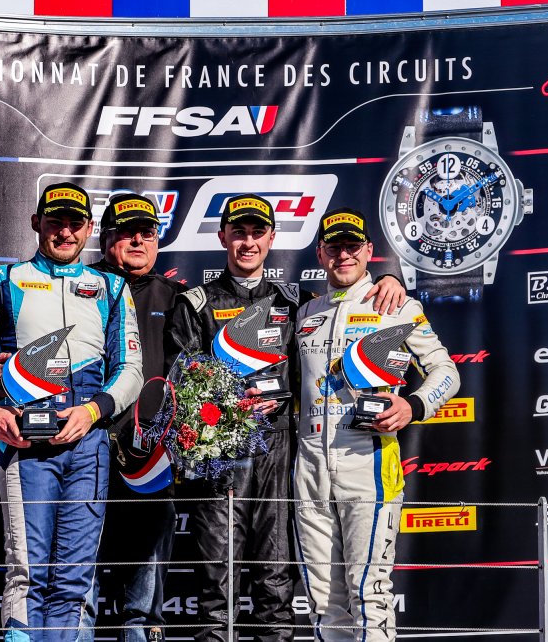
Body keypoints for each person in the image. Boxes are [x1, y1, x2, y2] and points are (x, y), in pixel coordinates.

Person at [164, 195, 406, 642]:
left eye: (258, 232)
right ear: (222, 237)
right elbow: (178, 386)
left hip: (280, 455)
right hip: (219, 457)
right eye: (239, 232)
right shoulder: (195, 303)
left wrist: (392, 278)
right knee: (216, 584)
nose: (248, 242)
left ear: (272, 238)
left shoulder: (297, 303)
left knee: (275, 584)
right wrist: (227, 407)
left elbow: (350, 301)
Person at [0, 182, 143, 642]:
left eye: (75, 223)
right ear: (37, 223)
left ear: (89, 229)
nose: (65, 232)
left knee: (75, 580)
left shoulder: (113, 288)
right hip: (23, 442)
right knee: (27, 573)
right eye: (56, 222)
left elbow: (131, 369)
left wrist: (92, 411)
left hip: (88, 444)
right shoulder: (1, 280)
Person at [293, 207, 460, 641]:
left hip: (368, 460)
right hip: (309, 464)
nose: (343, 255)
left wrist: (414, 406)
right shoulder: (305, 312)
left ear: (369, 250)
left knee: (369, 592)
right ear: (320, 253)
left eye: (353, 246)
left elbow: (447, 372)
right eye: (334, 247)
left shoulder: (395, 304)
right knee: (322, 600)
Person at [92, 193, 186, 642]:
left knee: (145, 596)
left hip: (151, 453)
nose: (137, 241)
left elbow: (197, 372)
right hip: (86, 444)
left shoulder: (177, 296)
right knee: (79, 575)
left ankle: (141, 633)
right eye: (126, 233)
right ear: (105, 240)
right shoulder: (82, 287)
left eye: (146, 233)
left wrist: (389, 278)